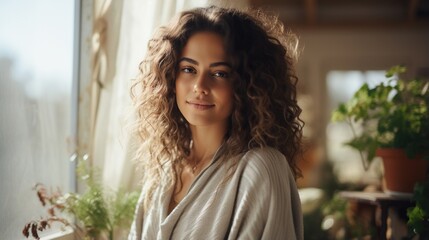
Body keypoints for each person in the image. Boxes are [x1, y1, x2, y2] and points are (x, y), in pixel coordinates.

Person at [129, 5, 304, 240]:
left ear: (246, 85)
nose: (200, 86)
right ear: (171, 76)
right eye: (189, 69)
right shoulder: (163, 173)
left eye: (220, 73)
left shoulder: (262, 168)